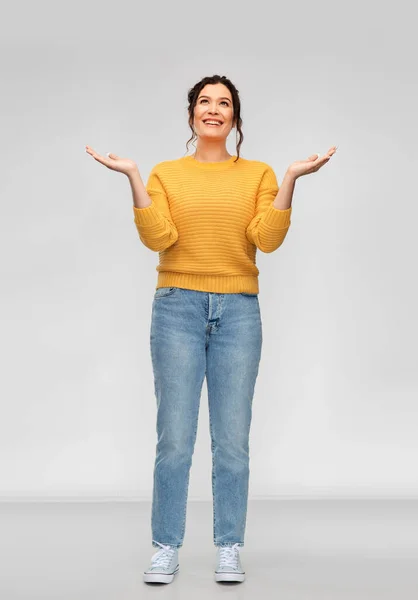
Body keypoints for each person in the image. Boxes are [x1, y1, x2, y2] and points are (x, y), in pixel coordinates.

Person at [85, 74, 337, 585]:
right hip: (176, 307)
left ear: (235, 118)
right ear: (192, 114)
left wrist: (290, 178)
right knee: (174, 438)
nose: (214, 110)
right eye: (205, 102)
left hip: (239, 311)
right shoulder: (165, 174)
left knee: (233, 440)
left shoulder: (259, 174)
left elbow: (266, 240)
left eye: (224, 103)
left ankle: (228, 545)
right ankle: (165, 547)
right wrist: (133, 176)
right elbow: (160, 236)